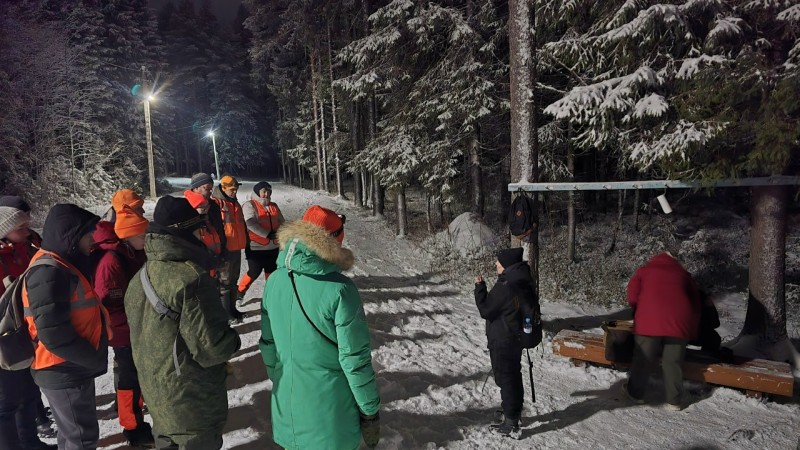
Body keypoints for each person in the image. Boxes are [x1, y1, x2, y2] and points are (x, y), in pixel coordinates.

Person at [124, 196, 240, 450]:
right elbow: (211, 349)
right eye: (197, 230)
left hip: (157, 392)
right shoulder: (190, 278)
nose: (201, 236)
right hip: (191, 398)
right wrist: (232, 340)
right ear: (184, 233)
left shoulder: (139, 277)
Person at [261, 205, 380, 449]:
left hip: (286, 409)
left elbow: (269, 345)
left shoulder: (273, 281)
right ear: (334, 242)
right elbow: (354, 359)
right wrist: (370, 411)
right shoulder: (341, 290)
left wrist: (284, 379)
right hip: (331, 416)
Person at [23, 204, 108, 450]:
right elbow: (54, 334)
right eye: (88, 233)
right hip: (63, 367)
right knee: (81, 437)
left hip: (68, 365)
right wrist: (90, 357)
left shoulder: (63, 264)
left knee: (71, 435)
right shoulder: (49, 271)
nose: (93, 238)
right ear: (71, 236)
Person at [93, 202, 153, 448]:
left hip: (135, 326)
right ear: (128, 235)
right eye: (142, 235)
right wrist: (134, 324)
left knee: (136, 377)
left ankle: (136, 419)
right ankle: (132, 427)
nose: (146, 239)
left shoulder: (132, 252)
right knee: (130, 380)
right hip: (124, 331)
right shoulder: (112, 260)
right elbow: (109, 304)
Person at [0, 196, 57, 440]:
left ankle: (31, 442)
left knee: (28, 392)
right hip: (6, 335)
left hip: (28, 328)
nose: (27, 230)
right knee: (7, 402)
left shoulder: (26, 246)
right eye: (20, 227)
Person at [623, 251, 701, 411]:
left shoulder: (645, 270)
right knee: (673, 362)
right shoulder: (683, 274)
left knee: (643, 358)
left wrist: (638, 308)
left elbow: (632, 294)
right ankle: (674, 400)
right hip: (679, 322)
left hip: (649, 319)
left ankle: (635, 393)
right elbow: (695, 301)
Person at [474, 247, 532, 439]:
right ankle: (513, 411)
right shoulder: (522, 279)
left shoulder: (505, 285)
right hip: (515, 338)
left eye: (499, 262)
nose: (496, 264)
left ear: (507, 265)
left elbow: (486, 310)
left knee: (506, 379)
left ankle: (511, 422)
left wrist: (480, 288)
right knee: (513, 375)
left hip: (503, 340)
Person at [237, 181, 284, 305]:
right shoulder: (250, 205)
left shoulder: (274, 206)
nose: (267, 194)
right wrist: (267, 234)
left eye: (269, 191)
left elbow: (282, 222)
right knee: (254, 272)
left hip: (273, 247)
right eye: (264, 191)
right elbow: (250, 223)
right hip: (255, 247)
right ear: (257, 192)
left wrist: (283, 233)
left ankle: (271, 295)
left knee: (271, 273)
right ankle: (240, 292)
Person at [211, 175, 247, 323]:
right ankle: (226, 314)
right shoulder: (216, 204)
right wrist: (220, 248)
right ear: (223, 188)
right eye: (232, 189)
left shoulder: (235, 203)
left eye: (236, 189)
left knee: (233, 280)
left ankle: (233, 310)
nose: (235, 192)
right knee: (224, 282)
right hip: (225, 250)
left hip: (236, 248)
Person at [184, 189, 224, 277]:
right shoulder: (192, 228)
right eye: (202, 207)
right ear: (193, 207)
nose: (206, 209)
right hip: (202, 270)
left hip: (213, 267)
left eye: (207, 206)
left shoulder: (207, 221)